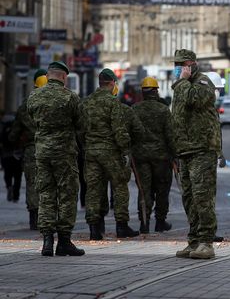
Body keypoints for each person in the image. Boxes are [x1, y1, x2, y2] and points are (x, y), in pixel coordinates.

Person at [27, 61, 84, 256]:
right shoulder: (70, 98)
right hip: (64, 154)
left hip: (42, 152)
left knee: (46, 194)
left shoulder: (34, 96)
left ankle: (47, 241)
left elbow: (32, 119)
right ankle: (64, 241)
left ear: (49, 75)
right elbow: (82, 124)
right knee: (67, 195)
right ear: (63, 77)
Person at [171, 49, 222, 260]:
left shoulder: (203, 83)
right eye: (176, 64)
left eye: (182, 64)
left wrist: (181, 82)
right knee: (189, 198)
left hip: (202, 150)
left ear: (191, 64)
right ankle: (193, 241)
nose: (178, 68)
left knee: (203, 197)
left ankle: (206, 242)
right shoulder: (181, 87)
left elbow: (195, 100)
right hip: (185, 150)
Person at [80, 68, 140, 240]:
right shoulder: (114, 103)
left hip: (91, 152)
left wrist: (87, 145)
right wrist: (125, 150)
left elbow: (80, 130)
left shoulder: (86, 102)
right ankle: (121, 226)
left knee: (93, 189)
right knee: (120, 186)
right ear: (113, 83)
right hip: (111, 152)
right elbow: (119, 131)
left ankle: (94, 228)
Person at [132, 77, 175, 234]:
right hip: (161, 159)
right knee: (162, 190)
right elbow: (171, 136)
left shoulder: (135, 109)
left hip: (141, 158)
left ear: (142, 92)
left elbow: (130, 133)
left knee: (144, 190)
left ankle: (144, 222)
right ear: (156, 91)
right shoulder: (163, 110)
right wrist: (175, 156)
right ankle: (160, 222)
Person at [7, 69, 47, 229]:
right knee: (51, 183)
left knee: (32, 183)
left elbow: (14, 132)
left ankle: (34, 217)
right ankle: (51, 217)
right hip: (53, 148)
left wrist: (12, 141)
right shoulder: (56, 101)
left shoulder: (26, 104)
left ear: (34, 83)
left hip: (32, 149)